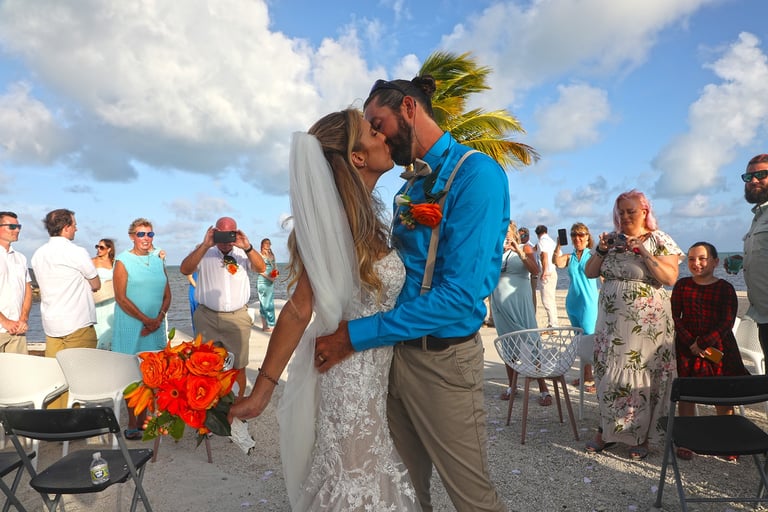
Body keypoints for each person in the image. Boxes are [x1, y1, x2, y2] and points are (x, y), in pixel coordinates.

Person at [314, 77, 509, 512]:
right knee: (402, 492)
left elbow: (460, 296)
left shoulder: (477, 175)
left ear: (407, 108)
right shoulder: (407, 189)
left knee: (472, 497)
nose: (375, 133)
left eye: (377, 122)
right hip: (392, 358)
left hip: (444, 363)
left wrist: (355, 335)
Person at [230, 109, 420, 510]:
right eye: (374, 132)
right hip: (349, 379)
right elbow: (300, 309)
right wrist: (262, 391)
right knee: (351, 483)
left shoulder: (365, 218)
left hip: (374, 379)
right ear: (356, 158)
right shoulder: (338, 224)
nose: (384, 136)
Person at [583, 190, 682, 461]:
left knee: (646, 377)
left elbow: (670, 277)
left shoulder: (660, 239)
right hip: (611, 324)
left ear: (645, 212)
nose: (625, 216)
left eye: (631, 211)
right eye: (621, 212)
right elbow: (590, 272)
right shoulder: (611, 241)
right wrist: (602, 250)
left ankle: (644, 437)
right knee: (608, 377)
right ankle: (607, 432)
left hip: (647, 327)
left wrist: (642, 250)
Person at [671, 241, 748, 461]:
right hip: (687, 347)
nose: (697, 263)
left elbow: (727, 321)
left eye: (702, 258)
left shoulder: (725, 288)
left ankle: (727, 440)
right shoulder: (682, 285)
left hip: (719, 346)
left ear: (715, 261)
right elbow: (676, 317)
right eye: (692, 259)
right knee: (687, 393)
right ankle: (688, 439)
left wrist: (704, 343)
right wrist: (691, 343)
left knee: (722, 395)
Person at [180, 217, 266, 401]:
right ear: (214, 232)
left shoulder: (243, 252)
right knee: (203, 367)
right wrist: (205, 245)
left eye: (230, 236)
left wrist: (248, 247)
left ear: (236, 232)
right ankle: (207, 414)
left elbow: (261, 268)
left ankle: (236, 413)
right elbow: (185, 269)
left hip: (237, 317)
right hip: (207, 317)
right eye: (222, 236)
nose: (226, 242)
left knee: (238, 367)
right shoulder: (204, 251)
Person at [31, 209, 101, 408]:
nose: (76, 228)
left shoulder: (38, 255)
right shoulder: (75, 251)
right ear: (65, 227)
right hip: (77, 322)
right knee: (81, 378)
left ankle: (56, 422)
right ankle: (77, 424)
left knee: (56, 379)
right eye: (74, 224)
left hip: (52, 324)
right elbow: (95, 284)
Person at [112, 218, 171, 439]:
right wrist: (146, 320)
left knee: (153, 376)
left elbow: (167, 295)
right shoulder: (123, 261)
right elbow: (121, 298)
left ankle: (149, 421)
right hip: (130, 327)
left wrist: (158, 319)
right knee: (132, 376)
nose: (145, 238)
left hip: (155, 326)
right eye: (141, 234)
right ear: (132, 237)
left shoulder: (158, 261)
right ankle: (133, 424)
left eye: (149, 234)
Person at [492, 221, 551, 405]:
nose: (505, 235)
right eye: (502, 232)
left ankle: (543, 387)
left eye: (508, 232)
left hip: (521, 303)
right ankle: (512, 386)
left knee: (531, 340)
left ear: (514, 233)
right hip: (500, 306)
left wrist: (518, 252)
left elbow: (535, 270)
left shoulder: (525, 248)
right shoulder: (495, 253)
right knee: (507, 343)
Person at [553, 223, 599, 390]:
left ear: (587, 237)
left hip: (589, 303)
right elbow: (556, 262)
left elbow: (603, 276)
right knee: (580, 341)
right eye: (574, 235)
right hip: (572, 303)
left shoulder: (593, 255)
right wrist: (558, 244)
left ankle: (595, 378)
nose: (577, 238)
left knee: (590, 340)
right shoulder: (570, 256)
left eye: (581, 235)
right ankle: (585, 375)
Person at [739, 154, 768, 360]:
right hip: (763, 315)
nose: (754, 181)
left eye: (762, 174)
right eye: (749, 177)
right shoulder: (759, 217)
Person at [0, 212, 32, 354]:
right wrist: (5, 321)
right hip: (5, 326)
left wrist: (23, 319)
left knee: (18, 375)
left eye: (18, 226)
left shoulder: (21, 258)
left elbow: (27, 289)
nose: (17, 230)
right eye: (12, 226)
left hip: (17, 332)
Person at [92, 238, 116, 350]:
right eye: (97, 246)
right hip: (98, 298)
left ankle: (110, 348)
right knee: (98, 324)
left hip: (111, 299)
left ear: (109, 249)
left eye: (101, 247)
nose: (98, 249)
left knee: (110, 324)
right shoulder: (92, 261)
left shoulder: (114, 262)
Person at [535, 225, 559, 329]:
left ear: (537, 234)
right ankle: (554, 323)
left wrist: (544, 271)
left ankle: (553, 325)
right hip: (553, 271)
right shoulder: (552, 242)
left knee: (546, 300)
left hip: (547, 272)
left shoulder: (542, 242)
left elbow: (544, 255)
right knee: (551, 299)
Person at [256, 238, 277, 332]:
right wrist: (268, 277)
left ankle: (270, 325)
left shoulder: (272, 255)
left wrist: (275, 275)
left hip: (271, 281)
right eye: (266, 243)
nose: (268, 245)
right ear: (262, 244)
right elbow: (258, 269)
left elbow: (274, 267)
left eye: (269, 243)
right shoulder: (259, 255)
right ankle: (266, 325)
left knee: (270, 302)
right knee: (264, 303)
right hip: (263, 280)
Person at [518, 226, 538, 310]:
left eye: (523, 236)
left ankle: (533, 311)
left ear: (528, 236)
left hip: (532, 274)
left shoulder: (529, 246)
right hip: (523, 274)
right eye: (519, 236)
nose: (521, 238)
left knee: (532, 293)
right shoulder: (519, 246)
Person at [187, 271, 198, 335]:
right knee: (195, 313)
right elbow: (190, 278)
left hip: (204, 290)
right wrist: (199, 288)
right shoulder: (192, 263)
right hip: (195, 289)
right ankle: (196, 335)